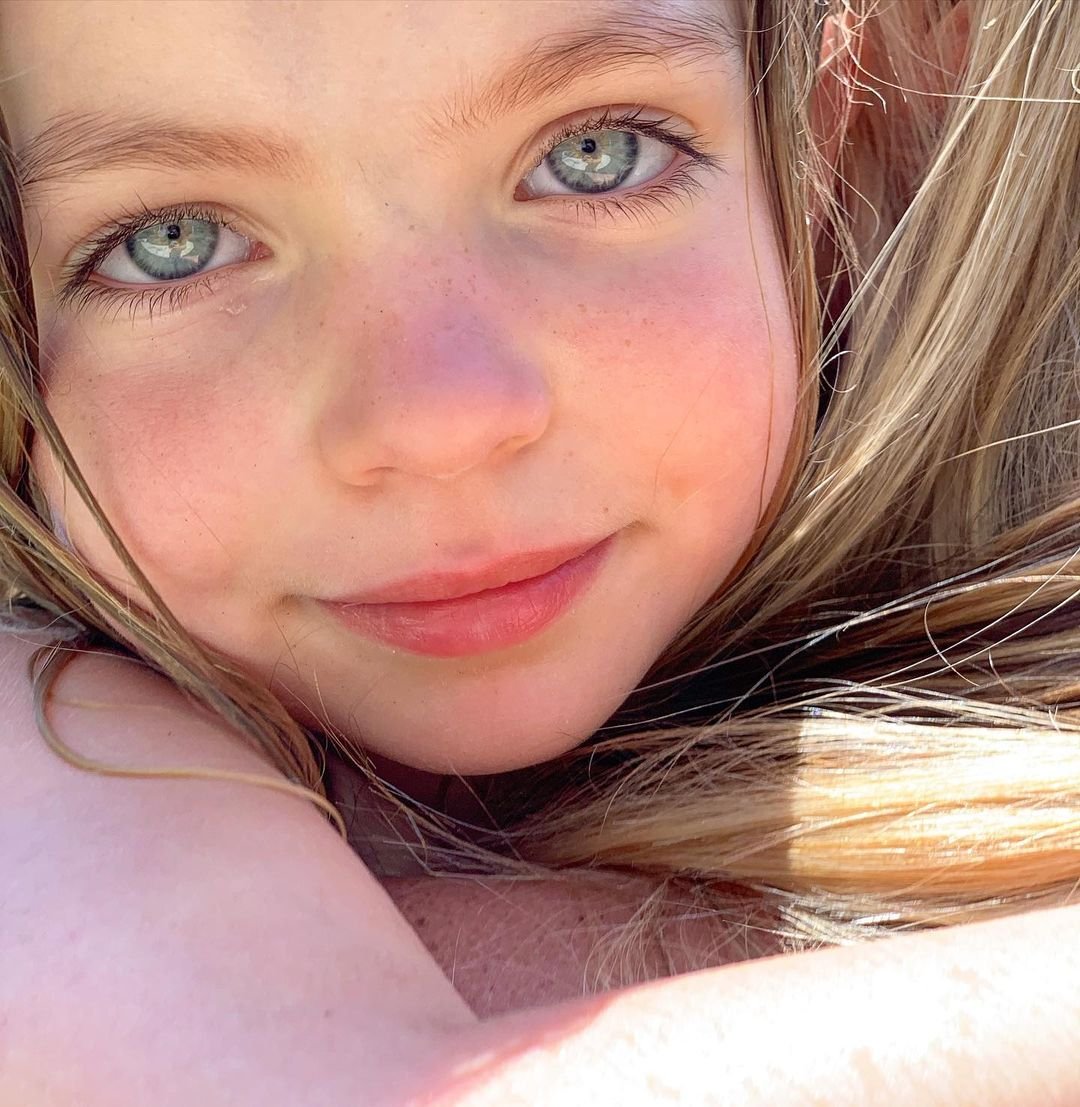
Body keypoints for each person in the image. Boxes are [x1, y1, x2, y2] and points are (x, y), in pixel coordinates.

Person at [1, 0, 1077, 1101]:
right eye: (172, 242)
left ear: (815, 139)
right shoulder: (37, 725)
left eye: (593, 155)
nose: (441, 419)